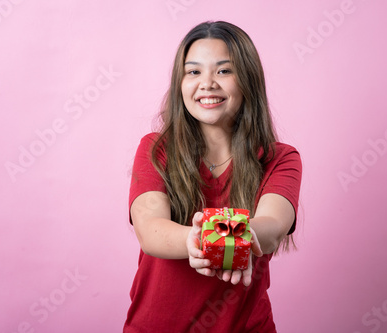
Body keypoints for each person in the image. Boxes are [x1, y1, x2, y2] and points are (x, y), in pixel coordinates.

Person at [124, 21, 302, 333]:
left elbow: (272, 226)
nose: (207, 83)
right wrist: (199, 241)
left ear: (248, 80)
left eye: (223, 71)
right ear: (180, 83)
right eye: (194, 72)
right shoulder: (155, 150)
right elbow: (150, 230)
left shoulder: (281, 158)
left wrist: (232, 238)